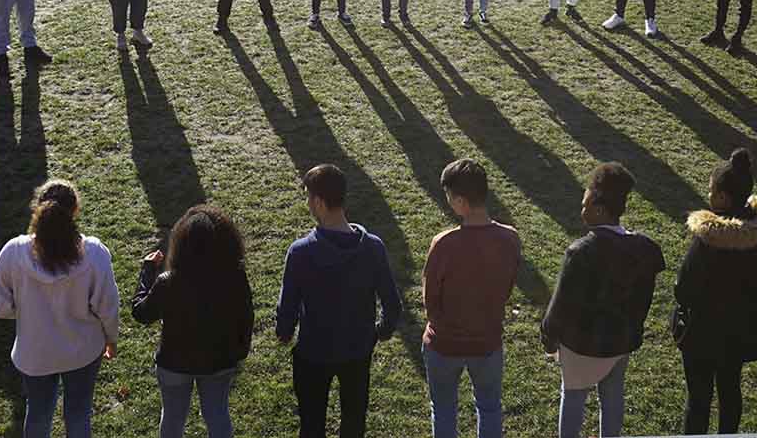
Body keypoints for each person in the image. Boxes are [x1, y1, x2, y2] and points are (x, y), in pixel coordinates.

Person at [276, 164, 403, 438]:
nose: (308, 203)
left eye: (308, 197)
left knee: (311, 424)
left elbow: (288, 305)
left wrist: (284, 332)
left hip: (313, 352)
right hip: (357, 350)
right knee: (354, 422)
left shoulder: (301, 252)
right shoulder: (373, 247)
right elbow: (392, 303)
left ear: (319, 202)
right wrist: (380, 331)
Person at [541, 162, 664, 438]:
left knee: (572, 396)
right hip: (620, 341)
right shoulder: (645, 249)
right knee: (612, 395)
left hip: (581, 345)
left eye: (585, 203)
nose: (581, 208)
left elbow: (560, 308)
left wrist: (549, 338)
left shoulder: (580, 253)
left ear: (599, 209)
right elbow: (643, 301)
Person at [0, 179, 119, 438]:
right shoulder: (94, 253)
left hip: (34, 354)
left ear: (37, 209)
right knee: (79, 413)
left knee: (38, 413)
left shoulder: (13, 252)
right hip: (83, 351)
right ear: (75, 211)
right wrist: (111, 339)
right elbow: (108, 306)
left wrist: (26, 310)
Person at [673, 149, 757, 434]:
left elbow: (683, 287)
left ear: (723, 197)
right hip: (741, 327)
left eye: (711, 191)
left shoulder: (709, 239)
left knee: (698, 398)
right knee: (730, 389)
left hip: (703, 330)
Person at [132, 204, 254, 438]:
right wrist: (241, 349)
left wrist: (148, 271)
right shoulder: (235, 277)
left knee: (173, 418)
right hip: (220, 360)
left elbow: (141, 312)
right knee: (217, 415)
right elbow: (246, 315)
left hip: (174, 363)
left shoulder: (168, 282)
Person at [421, 160, 522, 438]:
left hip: (444, 344)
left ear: (461, 200)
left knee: (443, 409)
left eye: (449, 198)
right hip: (487, 341)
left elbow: (430, 299)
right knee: (489, 408)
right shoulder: (510, 238)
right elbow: (508, 285)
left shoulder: (444, 243)